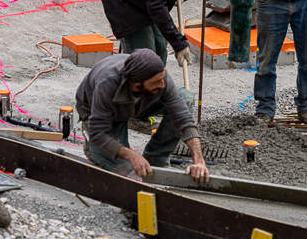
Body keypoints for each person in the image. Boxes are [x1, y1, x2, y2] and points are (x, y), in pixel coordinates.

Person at [76, 47, 209, 180]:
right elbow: (98, 133)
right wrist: (132, 156)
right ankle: (92, 149)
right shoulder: (107, 84)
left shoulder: (158, 76)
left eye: (162, 79)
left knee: (185, 98)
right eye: (156, 82)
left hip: (139, 103)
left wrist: (199, 161)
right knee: (127, 171)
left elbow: (184, 118)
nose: (162, 85)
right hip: (102, 112)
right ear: (137, 82)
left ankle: (156, 158)